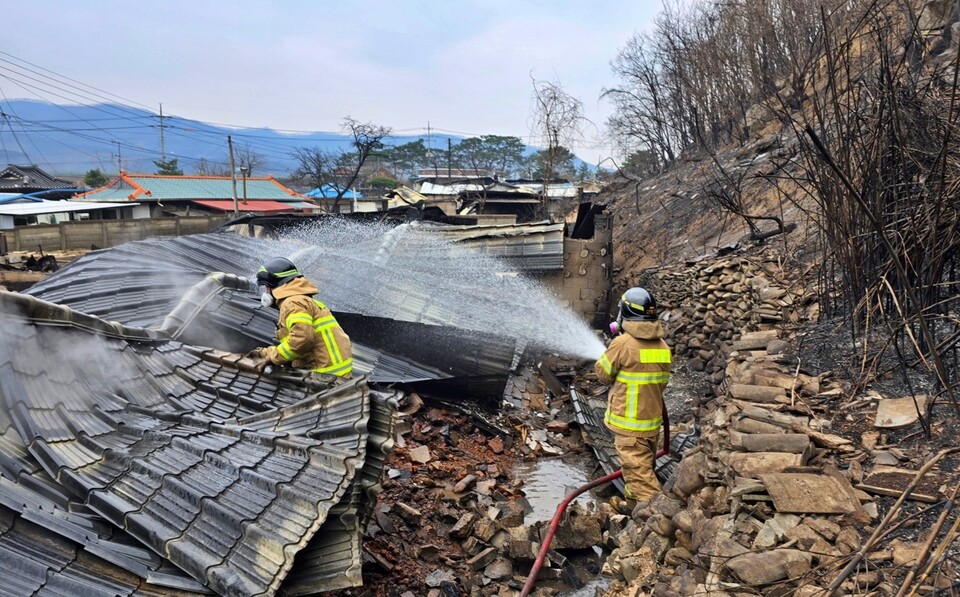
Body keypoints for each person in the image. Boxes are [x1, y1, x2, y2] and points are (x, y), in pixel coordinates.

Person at [595, 287, 671, 512]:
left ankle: (656, 518)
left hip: (629, 425)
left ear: (625, 313)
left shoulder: (622, 344)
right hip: (651, 424)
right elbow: (661, 383)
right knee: (642, 467)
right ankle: (632, 505)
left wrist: (610, 348)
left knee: (640, 477)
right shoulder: (663, 347)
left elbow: (603, 375)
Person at [252, 257, 353, 379]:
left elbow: (301, 340)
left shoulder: (292, 303)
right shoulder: (301, 300)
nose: (266, 292)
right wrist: (265, 353)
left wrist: (273, 358)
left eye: (266, 287)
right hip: (335, 374)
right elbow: (295, 343)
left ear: (274, 286)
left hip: (325, 377)